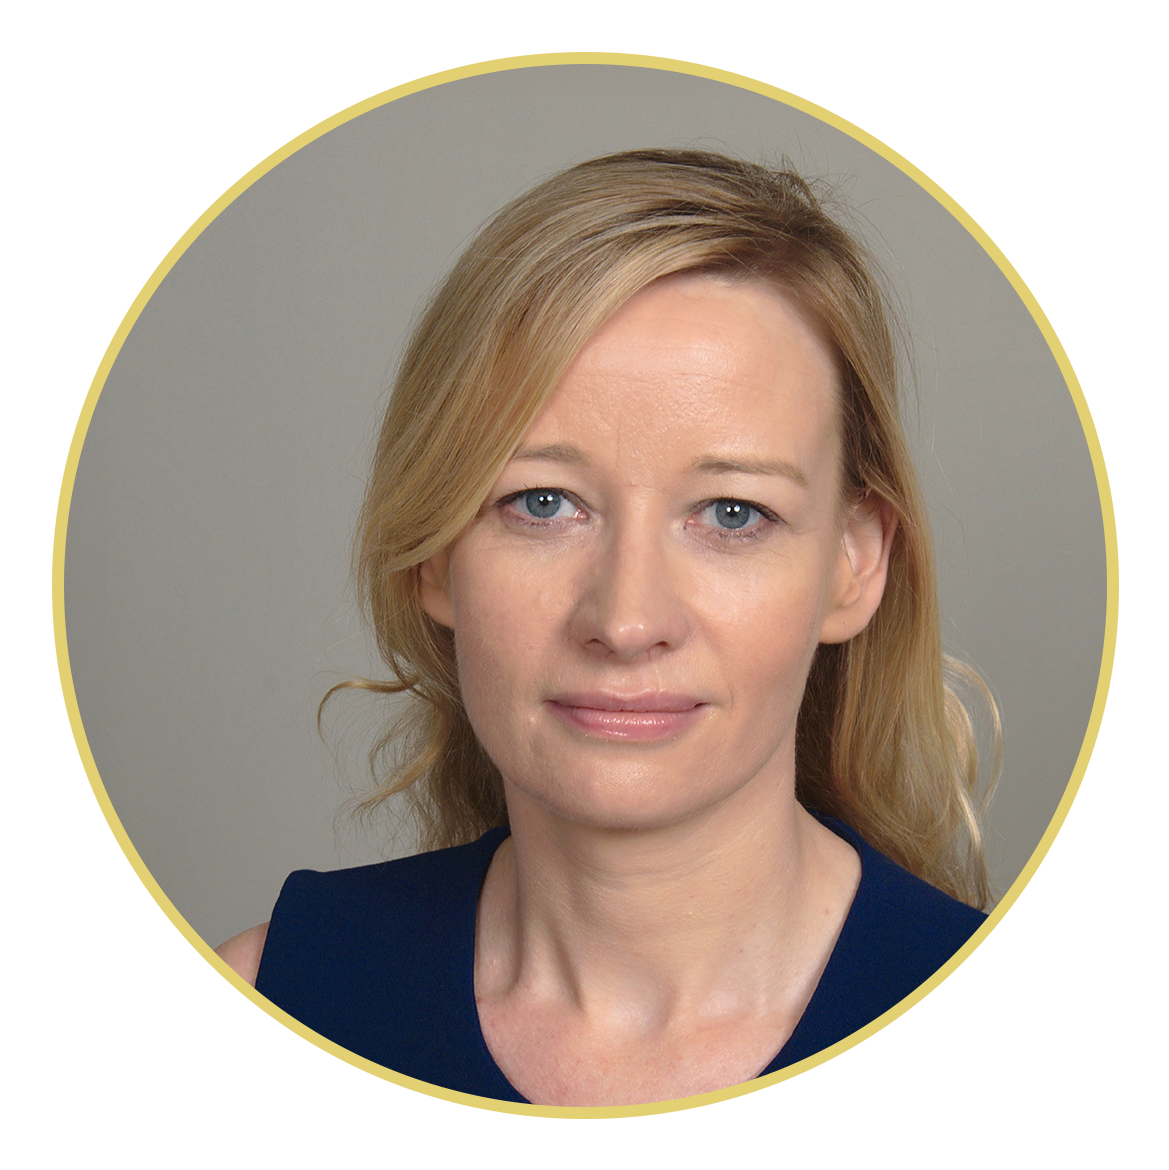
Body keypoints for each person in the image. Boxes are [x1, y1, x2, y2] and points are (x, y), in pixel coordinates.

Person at [217, 149, 999, 1106]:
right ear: (433, 553)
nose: (627, 622)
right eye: (541, 502)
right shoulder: (274, 995)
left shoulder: (1034, 1040)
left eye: (732, 513)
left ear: (854, 563)